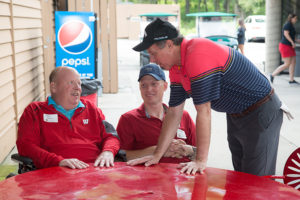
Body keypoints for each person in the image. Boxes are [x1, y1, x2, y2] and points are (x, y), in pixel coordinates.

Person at [128, 18, 283, 176]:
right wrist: (157, 155)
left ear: (169, 44)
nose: (152, 60)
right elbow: (174, 112)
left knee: (257, 182)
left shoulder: (197, 53)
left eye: (153, 54)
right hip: (237, 114)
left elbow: (204, 112)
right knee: (242, 176)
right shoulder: (176, 66)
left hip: (262, 109)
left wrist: (200, 160)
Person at [17, 66, 120, 169]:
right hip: (55, 172)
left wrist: (108, 151)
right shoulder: (35, 111)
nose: (77, 88)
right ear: (54, 87)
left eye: (79, 83)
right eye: (71, 82)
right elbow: (26, 146)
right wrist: (58, 161)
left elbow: (111, 135)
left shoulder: (91, 109)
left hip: (94, 170)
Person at [116, 64, 196, 163]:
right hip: (147, 176)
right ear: (140, 88)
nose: (149, 89)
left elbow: (199, 152)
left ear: (165, 86)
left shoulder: (183, 116)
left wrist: (187, 150)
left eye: (154, 84)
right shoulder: (128, 119)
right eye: (143, 85)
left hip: (182, 175)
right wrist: (159, 150)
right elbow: (119, 157)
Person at [270, 13, 299, 84]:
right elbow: (286, 34)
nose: (296, 20)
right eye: (295, 18)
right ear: (291, 18)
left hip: (290, 46)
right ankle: (273, 74)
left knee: (293, 62)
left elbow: (292, 35)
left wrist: (296, 40)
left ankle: (291, 80)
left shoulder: (291, 25)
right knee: (287, 64)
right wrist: (292, 42)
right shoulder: (287, 24)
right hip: (285, 46)